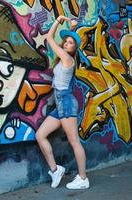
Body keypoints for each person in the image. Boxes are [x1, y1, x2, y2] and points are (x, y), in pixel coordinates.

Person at [36, 15, 89, 189]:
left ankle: (82, 178)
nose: (66, 44)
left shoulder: (67, 59)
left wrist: (59, 20)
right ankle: (55, 169)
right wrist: (71, 29)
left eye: (70, 43)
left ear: (74, 50)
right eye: (65, 42)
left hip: (65, 102)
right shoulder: (64, 58)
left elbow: (49, 38)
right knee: (40, 135)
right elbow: (62, 40)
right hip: (60, 103)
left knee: (74, 141)